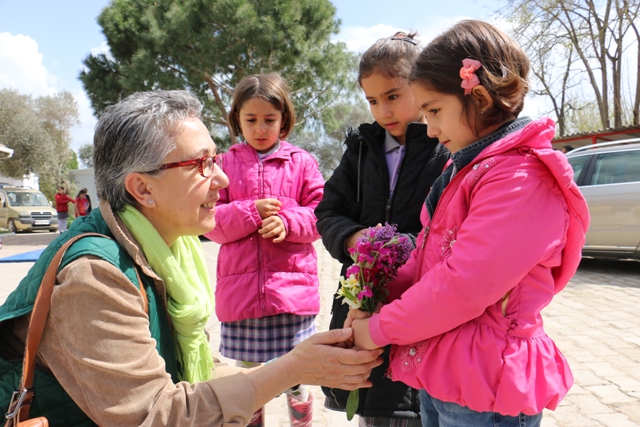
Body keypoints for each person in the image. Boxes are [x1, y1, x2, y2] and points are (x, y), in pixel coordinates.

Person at [0, 90, 383, 427]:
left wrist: (303, 365)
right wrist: (292, 369)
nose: (222, 179)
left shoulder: (170, 254)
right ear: (142, 189)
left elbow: (192, 370)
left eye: (215, 160)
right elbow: (155, 416)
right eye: (200, 165)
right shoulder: (96, 277)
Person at [347, 20, 590, 427]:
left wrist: (379, 328)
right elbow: (430, 258)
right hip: (451, 371)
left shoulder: (520, 178)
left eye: (435, 110)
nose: (431, 127)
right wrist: (376, 297)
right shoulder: (469, 169)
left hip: (487, 380)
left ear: (477, 95)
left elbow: (463, 286)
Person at [314, 32, 449, 427]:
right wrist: (356, 240)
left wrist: (395, 247)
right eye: (372, 100)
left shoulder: (446, 149)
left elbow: (446, 231)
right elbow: (328, 210)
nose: (383, 111)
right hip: (361, 302)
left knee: (417, 404)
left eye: (393, 95)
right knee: (374, 403)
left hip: (418, 305)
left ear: (421, 88)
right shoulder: (361, 149)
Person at [204, 73, 325, 427]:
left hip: (292, 296)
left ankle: (300, 423)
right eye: (251, 120)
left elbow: (321, 214)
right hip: (242, 298)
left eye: (269, 120)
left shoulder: (302, 162)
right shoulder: (223, 165)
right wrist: (250, 211)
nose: (260, 128)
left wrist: (289, 223)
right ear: (237, 119)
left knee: (295, 377)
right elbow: (210, 221)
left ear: (284, 119)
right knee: (248, 380)